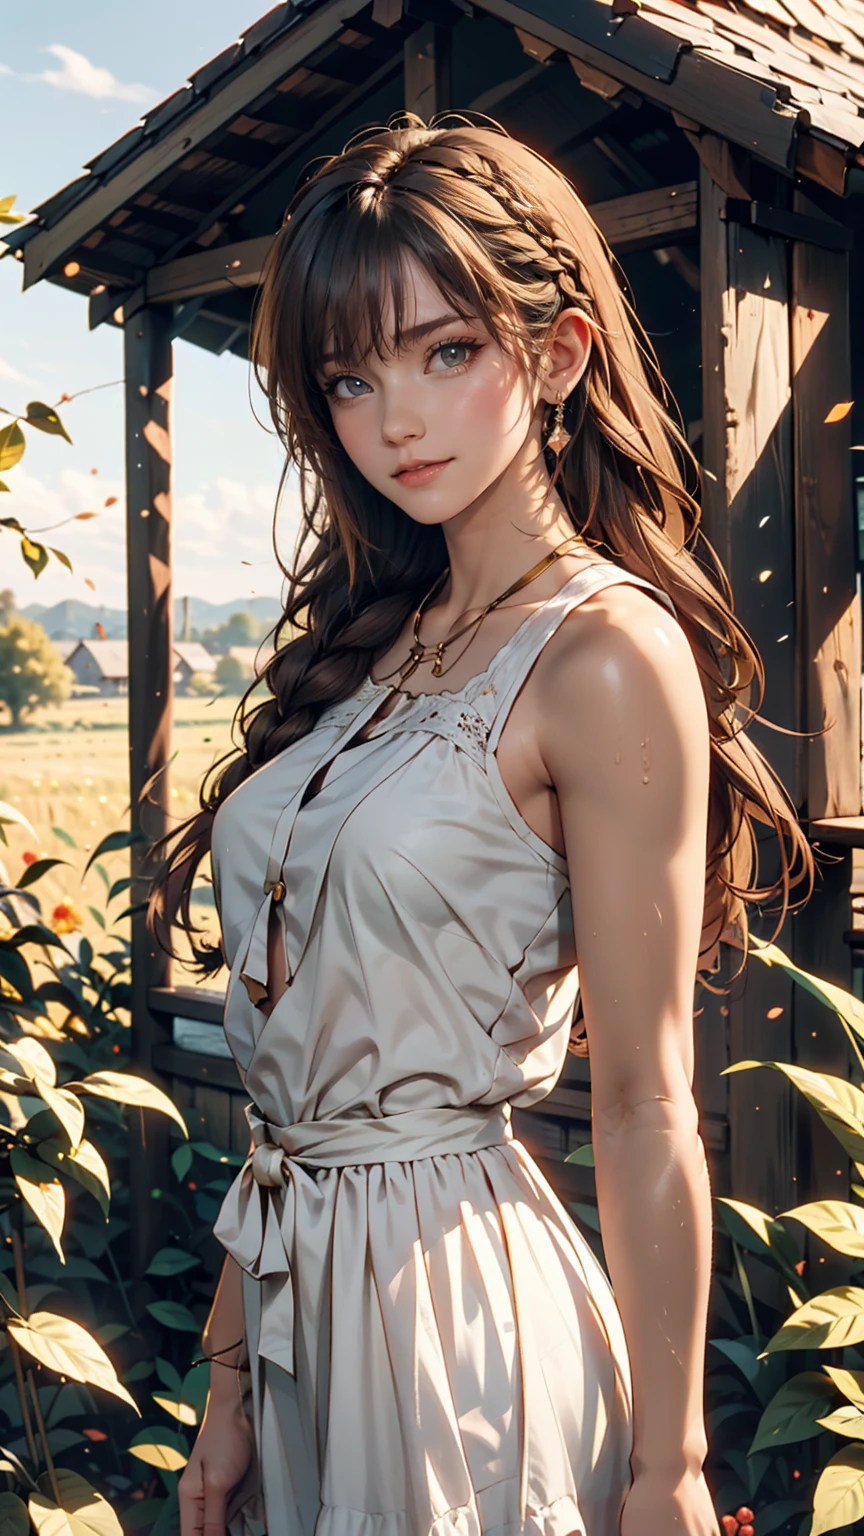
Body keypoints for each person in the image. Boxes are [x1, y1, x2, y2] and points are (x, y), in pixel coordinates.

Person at [149, 113, 813, 1536]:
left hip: (456, 1328)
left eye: (448, 351)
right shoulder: (381, 639)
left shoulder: (604, 654)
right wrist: (228, 1397)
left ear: (559, 353)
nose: (395, 418)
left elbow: (642, 1105)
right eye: (351, 375)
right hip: (295, 1322)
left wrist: (669, 1469)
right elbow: (293, 1110)